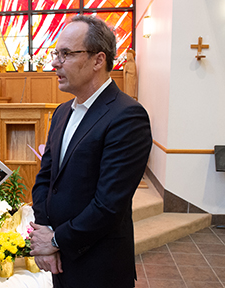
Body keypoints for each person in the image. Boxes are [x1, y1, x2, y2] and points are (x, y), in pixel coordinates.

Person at [29, 15, 152, 288]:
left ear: (98, 60)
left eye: (66, 54)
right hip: (60, 259)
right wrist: (43, 231)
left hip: (99, 265)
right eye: (55, 53)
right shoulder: (62, 112)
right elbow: (46, 179)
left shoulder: (127, 116)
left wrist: (56, 241)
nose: (54, 62)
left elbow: (109, 205)